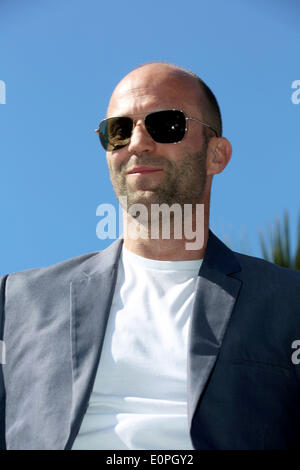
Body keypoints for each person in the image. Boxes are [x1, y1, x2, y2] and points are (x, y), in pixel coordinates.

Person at [1, 62, 300, 450]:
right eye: (118, 131)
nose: (137, 143)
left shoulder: (287, 302)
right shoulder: (17, 301)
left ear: (217, 155)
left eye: (166, 125)